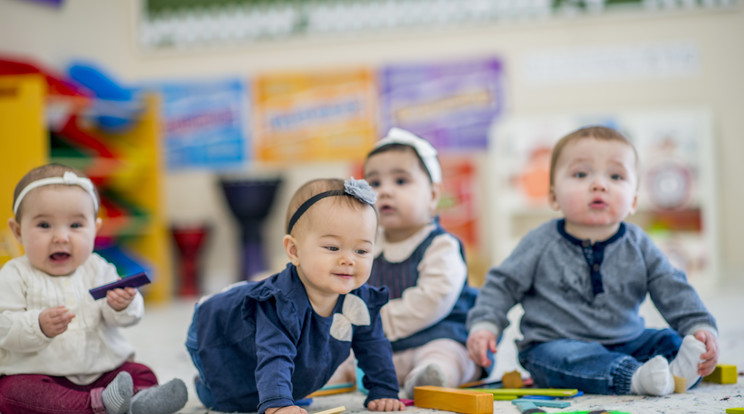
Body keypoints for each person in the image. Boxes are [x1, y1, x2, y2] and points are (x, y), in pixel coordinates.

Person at [466, 126, 719, 396]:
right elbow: (502, 284)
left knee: (672, 342)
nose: (599, 184)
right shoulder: (540, 242)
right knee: (555, 359)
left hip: (628, 340)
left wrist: (699, 327)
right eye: (581, 174)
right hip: (556, 344)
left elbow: (673, 287)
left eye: (616, 176)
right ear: (553, 196)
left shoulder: (638, 243)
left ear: (633, 200)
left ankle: (678, 372)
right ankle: (634, 377)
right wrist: (485, 325)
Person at [185, 177, 405, 414]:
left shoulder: (361, 301)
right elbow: (275, 354)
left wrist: (384, 390)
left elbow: (374, 346)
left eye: (361, 250)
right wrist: (278, 403)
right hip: (219, 329)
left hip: (254, 339)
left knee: (292, 382)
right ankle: (205, 386)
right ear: (294, 250)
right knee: (235, 396)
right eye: (332, 247)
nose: (348, 259)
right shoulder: (280, 302)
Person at [0, 163, 188, 414]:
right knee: (12, 393)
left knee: (140, 372)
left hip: (103, 371)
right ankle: (93, 405)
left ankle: (139, 401)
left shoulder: (100, 269)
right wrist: (38, 325)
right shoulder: (14, 274)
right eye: (44, 225)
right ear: (18, 231)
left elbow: (126, 318)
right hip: (40, 375)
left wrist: (123, 305)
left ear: (95, 230)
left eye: (76, 226)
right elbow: (4, 327)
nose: (61, 237)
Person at [360, 127, 483, 398]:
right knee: (343, 353)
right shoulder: (366, 246)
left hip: (438, 335)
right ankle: (335, 375)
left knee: (448, 355)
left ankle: (433, 376)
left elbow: (432, 300)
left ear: (433, 195)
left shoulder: (441, 246)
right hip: (383, 347)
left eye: (401, 181)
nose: (385, 192)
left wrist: (376, 323)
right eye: (375, 184)